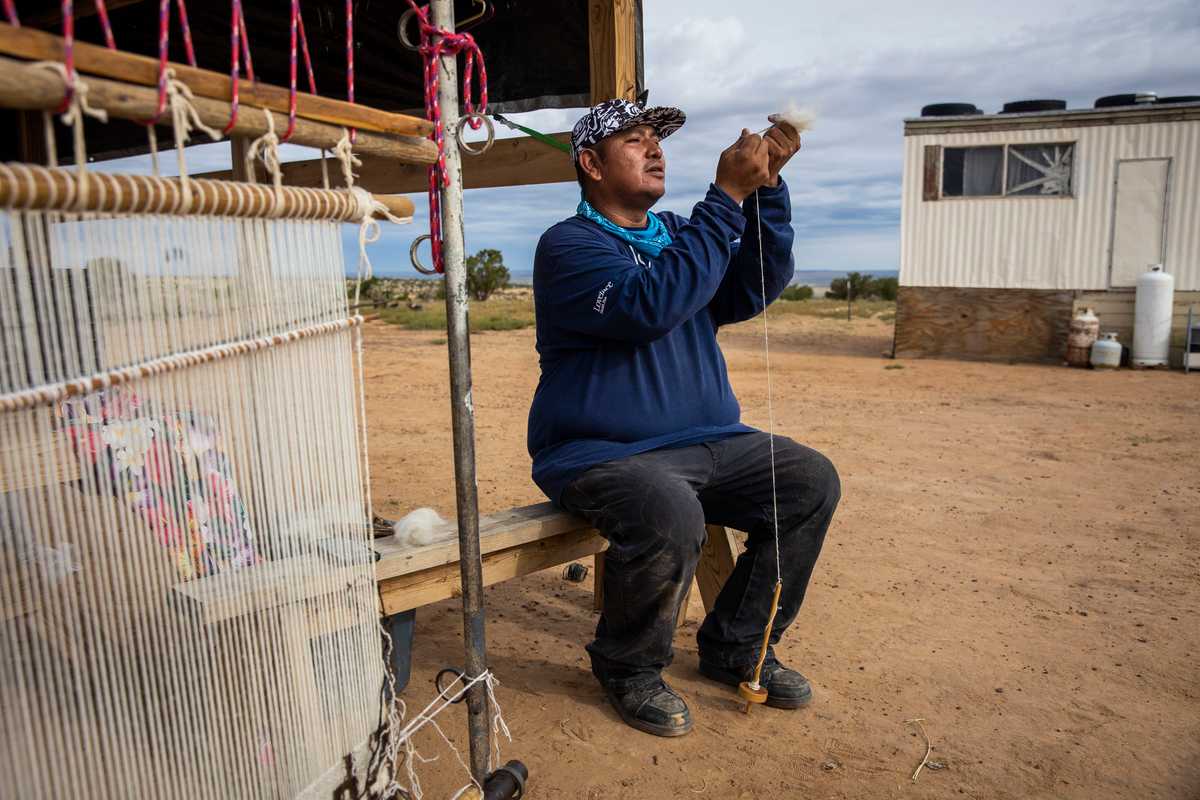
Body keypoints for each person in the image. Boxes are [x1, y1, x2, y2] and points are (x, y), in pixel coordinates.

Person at [526, 98, 841, 737]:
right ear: (590, 163)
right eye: (635, 141)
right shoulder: (568, 245)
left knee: (810, 480)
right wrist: (724, 195)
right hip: (600, 453)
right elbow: (649, 305)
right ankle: (629, 668)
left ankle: (737, 647)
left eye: (658, 139)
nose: (655, 148)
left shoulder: (675, 234)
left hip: (710, 440)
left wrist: (765, 193)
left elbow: (752, 285)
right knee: (668, 510)